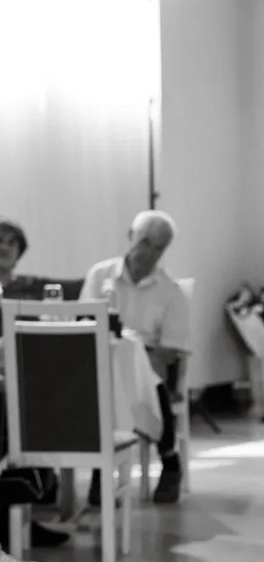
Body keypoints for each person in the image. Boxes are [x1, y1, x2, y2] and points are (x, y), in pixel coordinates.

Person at [80, 210, 188, 504]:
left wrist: (137, 352)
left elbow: (171, 350)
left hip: (149, 369)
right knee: (101, 386)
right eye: (145, 242)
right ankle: (103, 473)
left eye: (158, 248)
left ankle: (168, 461)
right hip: (101, 364)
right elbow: (84, 321)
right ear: (131, 237)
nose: (150, 253)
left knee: (147, 381)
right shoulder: (100, 275)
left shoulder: (171, 292)